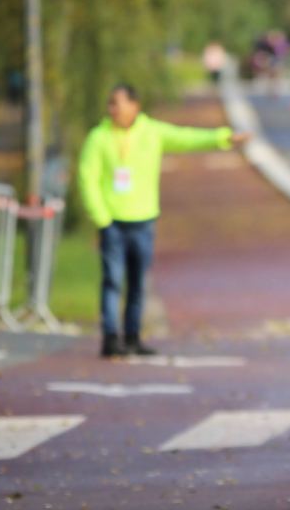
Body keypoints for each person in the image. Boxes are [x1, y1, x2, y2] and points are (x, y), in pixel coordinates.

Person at [77, 83, 250, 358]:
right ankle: (110, 337)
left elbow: (187, 138)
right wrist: (102, 218)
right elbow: (87, 178)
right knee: (112, 281)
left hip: (143, 221)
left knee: (138, 283)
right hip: (113, 223)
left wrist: (224, 137)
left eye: (117, 103)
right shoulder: (98, 138)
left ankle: (132, 336)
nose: (112, 109)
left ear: (135, 106)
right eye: (110, 103)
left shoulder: (151, 132)